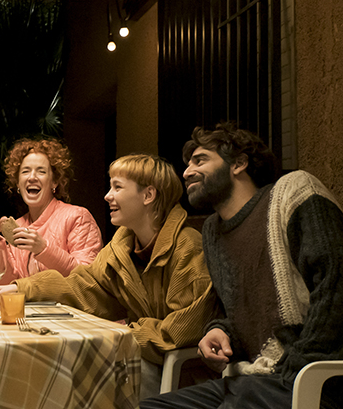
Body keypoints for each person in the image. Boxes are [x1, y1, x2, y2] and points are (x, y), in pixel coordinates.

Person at [141, 123, 343, 409]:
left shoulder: (294, 192)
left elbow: (336, 285)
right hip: (255, 379)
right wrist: (220, 332)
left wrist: (297, 368)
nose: (186, 172)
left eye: (200, 160)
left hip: (317, 380)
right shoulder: (212, 231)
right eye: (187, 164)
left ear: (238, 163)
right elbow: (234, 312)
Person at [0, 154, 217, 398]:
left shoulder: (189, 248)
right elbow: (85, 286)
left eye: (117, 187)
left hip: (183, 374)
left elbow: (180, 332)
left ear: (148, 195)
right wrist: (23, 289)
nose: (107, 196)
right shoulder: (122, 245)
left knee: (79, 376)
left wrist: (124, 332)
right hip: (139, 356)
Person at [0, 137, 103, 284]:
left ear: (54, 182)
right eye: (25, 171)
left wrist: (43, 249)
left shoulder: (78, 217)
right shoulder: (17, 225)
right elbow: (9, 285)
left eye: (41, 171)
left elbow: (86, 279)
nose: (32, 177)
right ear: (17, 183)